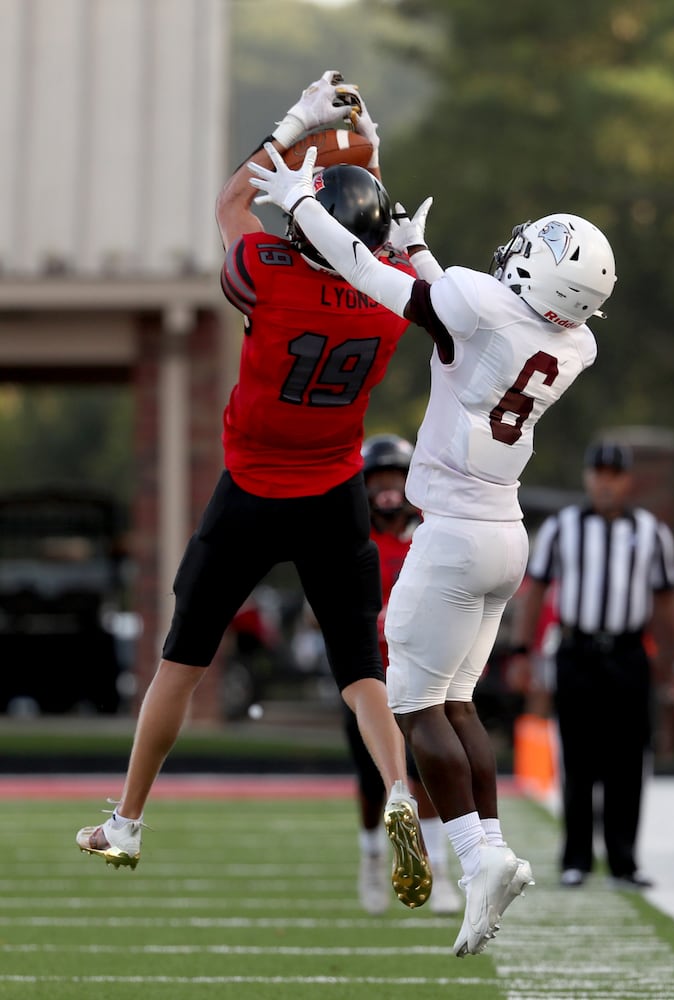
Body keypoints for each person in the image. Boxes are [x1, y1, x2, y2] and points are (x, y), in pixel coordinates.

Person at [75, 70, 433, 911]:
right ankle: (397, 789)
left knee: (180, 662)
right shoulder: (388, 305)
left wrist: (298, 120)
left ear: (309, 226)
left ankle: (128, 819)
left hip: (250, 489)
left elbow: (234, 200)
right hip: (336, 489)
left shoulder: (267, 270)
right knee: (361, 672)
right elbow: (382, 242)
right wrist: (368, 157)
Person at [248, 144, 617, 955]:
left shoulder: (479, 306)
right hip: (505, 535)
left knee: (415, 707)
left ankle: (474, 857)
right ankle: (489, 848)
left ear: (537, 274)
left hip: (448, 535)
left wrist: (299, 205)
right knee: (457, 706)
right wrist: (415, 244)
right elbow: (458, 310)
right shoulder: (575, 343)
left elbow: (373, 280)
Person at [509, 442, 674, 890]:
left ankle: (624, 861)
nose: (605, 482)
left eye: (614, 474)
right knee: (579, 758)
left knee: (629, 760)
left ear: (627, 480)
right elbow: (537, 592)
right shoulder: (561, 527)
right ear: (588, 478)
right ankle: (577, 859)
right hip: (578, 651)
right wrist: (521, 651)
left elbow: (666, 602)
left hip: (629, 653)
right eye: (598, 473)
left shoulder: (651, 531)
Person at [346, 433, 461, 915]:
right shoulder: (351, 538)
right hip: (367, 674)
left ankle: (437, 869)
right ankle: (372, 860)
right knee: (375, 781)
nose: (389, 487)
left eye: (397, 476)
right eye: (380, 478)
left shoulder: (432, 532)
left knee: (426, 771)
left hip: (420, 671)